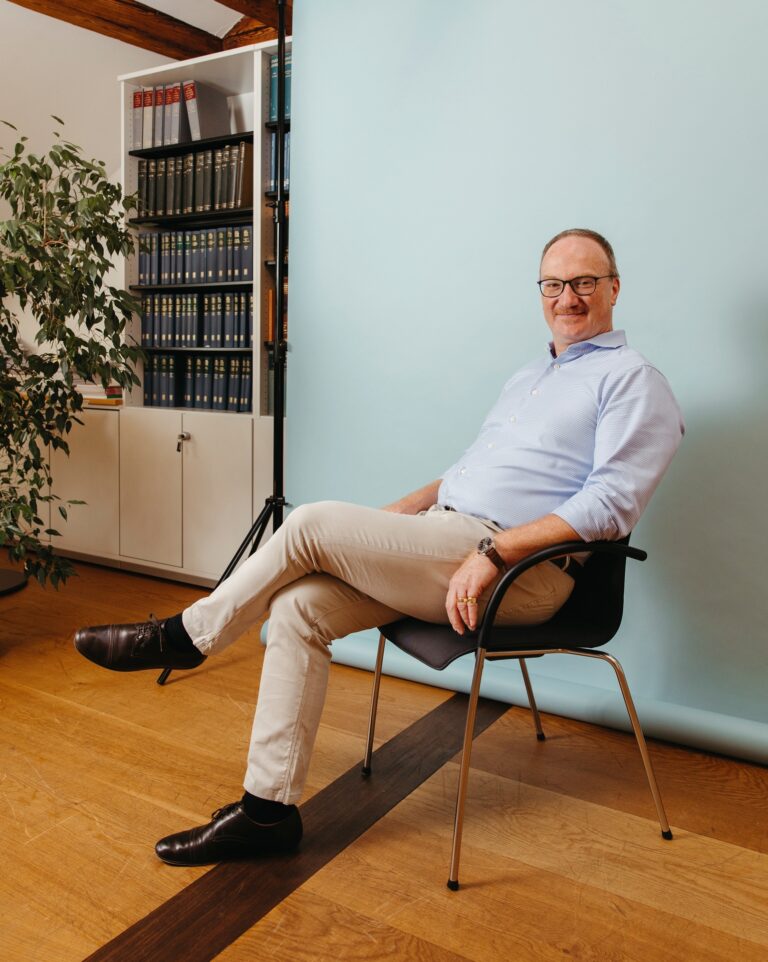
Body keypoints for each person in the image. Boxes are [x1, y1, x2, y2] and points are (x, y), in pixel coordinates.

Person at [74, 228, 684, 867]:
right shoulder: (530, 376)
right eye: (554, 284)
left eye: (584, 282)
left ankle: (184, 637)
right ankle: (267, 815)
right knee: (297, 610)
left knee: (310, 522)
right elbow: (463, 475)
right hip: (447, 542)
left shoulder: (633, 379)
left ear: (614, 288)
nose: (568, 297)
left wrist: (496, 553)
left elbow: (611, 506)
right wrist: (394, 519)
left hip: (521, 572)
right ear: (540, 292)